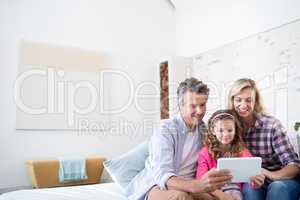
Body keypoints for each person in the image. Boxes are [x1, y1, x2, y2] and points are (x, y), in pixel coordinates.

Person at [126, 78, 232, 200]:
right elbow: (162, 175)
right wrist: (194, 186)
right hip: (157, 185)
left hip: (189, 185)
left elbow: (213, 160)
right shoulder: (165, 131)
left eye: (202, 105)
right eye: (193, 106)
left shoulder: (205, 130)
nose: (199, 111)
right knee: (180, 197)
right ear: (181, 105)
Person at [227, 78, 300, 200]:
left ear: (255, 102)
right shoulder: (229, 129)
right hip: (255, 181)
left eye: (248, 100)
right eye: (238, 100)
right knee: (249, 189)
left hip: (283, 180)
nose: (243, 105)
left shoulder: (271, 125)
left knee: (277, 188)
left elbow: (294, 166)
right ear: (232, 101)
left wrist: (268, 174)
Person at [196, 109, 252, 200]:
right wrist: (222, 196)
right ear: (213, 131)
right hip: (214, 192)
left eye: (230, 130)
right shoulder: (205, 152)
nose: (225, 134)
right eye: (220, 130)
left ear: (235, 130)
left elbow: (251, 170)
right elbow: (201, 179)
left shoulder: (241, 150)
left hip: (236, 192)